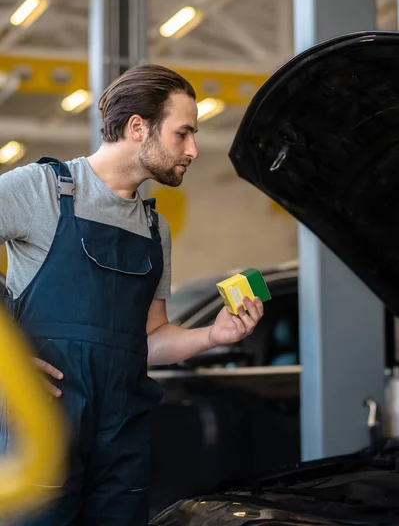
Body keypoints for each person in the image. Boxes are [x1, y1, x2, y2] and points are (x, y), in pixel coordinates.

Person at [0, 64, 264, 526]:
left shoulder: (153, 228)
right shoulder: (41, 190)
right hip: (40, 434)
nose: (194, 150)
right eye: (183, 133)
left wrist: (211, 336)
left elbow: (150, 338)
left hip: (122, 437)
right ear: (138, 127)